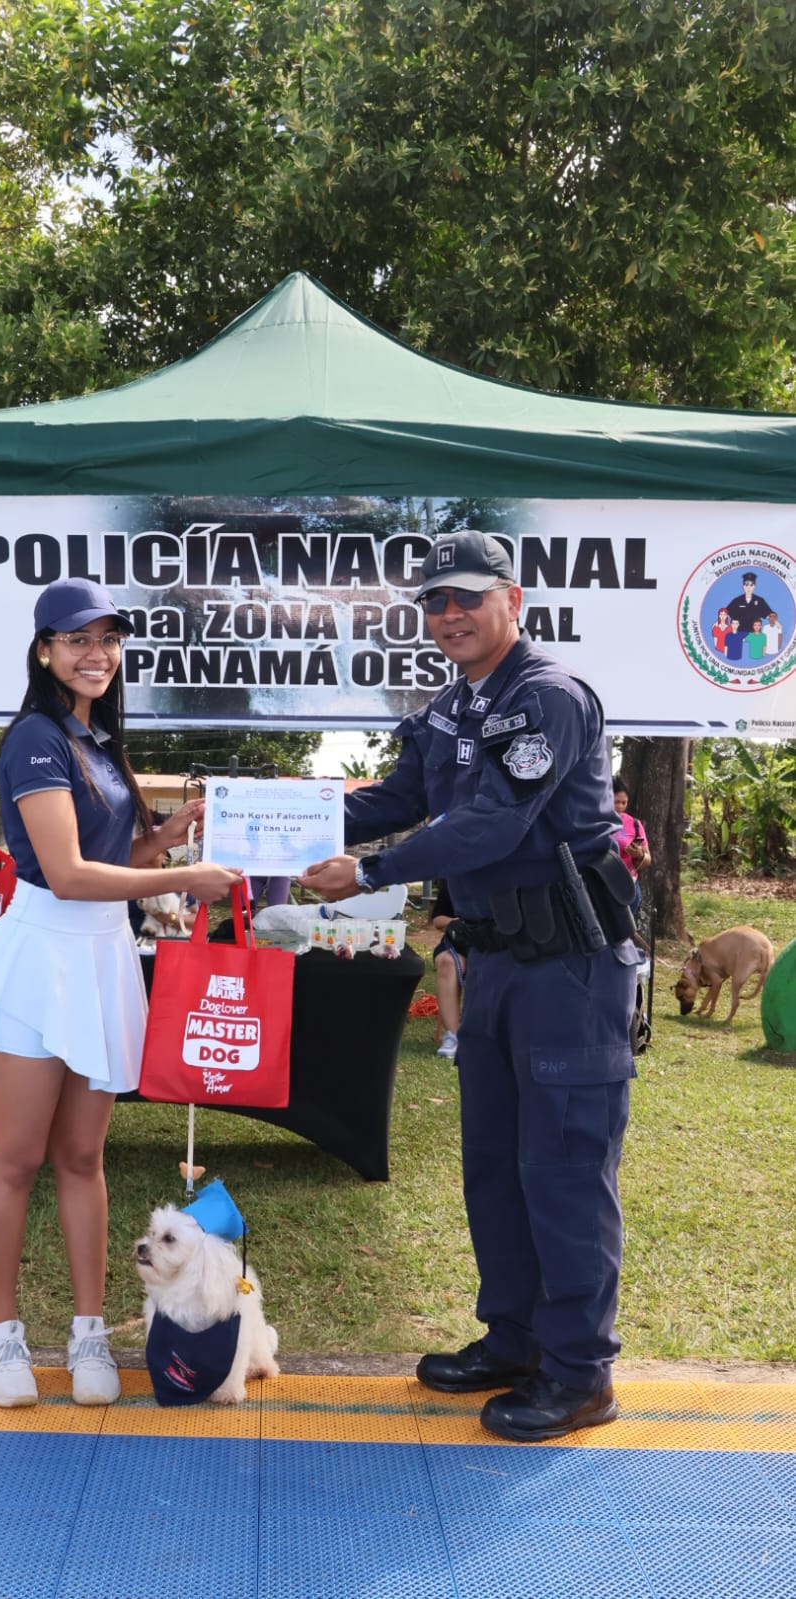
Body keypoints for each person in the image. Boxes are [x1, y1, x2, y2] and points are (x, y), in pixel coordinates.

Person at [301, 530, 638, 1443]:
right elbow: (396, 797)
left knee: (564, 1169)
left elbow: (493, 822)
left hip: (568, 971)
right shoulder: (454, 705)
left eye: (467, 597)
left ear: (511, 599)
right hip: (491, 963)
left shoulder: (548, 697)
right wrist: (274, 815)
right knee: (496, 1162)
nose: (449, 615)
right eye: (435, 602)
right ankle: (516, 1341)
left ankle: (581, 1374)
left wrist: (370, 872)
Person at [0, 578, 242, 1410]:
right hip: (38, 959)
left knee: (84, 1157)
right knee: (17, 1157)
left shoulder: (99, 738)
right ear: (44, 649)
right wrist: (187, 874)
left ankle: (89, 1331)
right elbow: (69, 873)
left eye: (109, 639)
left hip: (102, 954)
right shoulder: (34, 739)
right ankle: (1, 1333)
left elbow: (114, 862)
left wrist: (166, 838)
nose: (97, 653)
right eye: (78, 638)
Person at [430, 882, 466, 1059]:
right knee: (447, 962)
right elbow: (437, 920)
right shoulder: (454, 880)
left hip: (495, 943)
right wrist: (456, 923)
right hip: (459, 941)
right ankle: (453, 1036)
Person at [611, 777, 651, 914]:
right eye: (616, 802)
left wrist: (639, 854)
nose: (620, 807)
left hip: (628, 886)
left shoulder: (634, 824)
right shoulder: (596, 822)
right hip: (603, 884)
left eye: (624, 802)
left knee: (624, 924)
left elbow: (648, 859)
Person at [725, 571, 772, 639]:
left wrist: (776, 623)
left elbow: (769, 615)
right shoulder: (737, 601)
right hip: (739, 633)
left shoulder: (760, 601)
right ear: (743, 586)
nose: (749, 588)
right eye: (746, 585)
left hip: (755, 634)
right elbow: (726, 613)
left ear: (754, 586)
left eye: (751, 585)